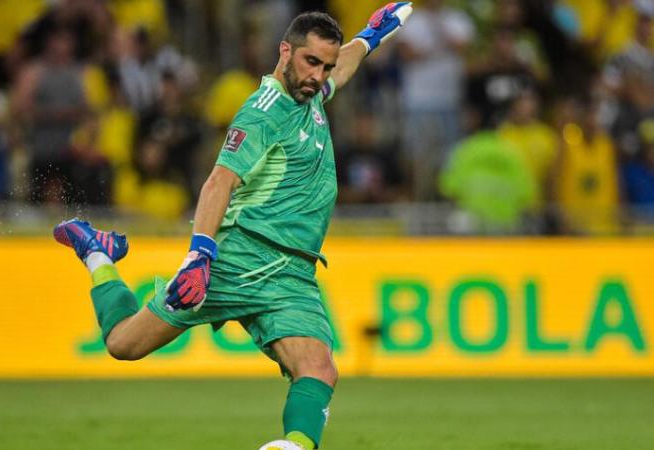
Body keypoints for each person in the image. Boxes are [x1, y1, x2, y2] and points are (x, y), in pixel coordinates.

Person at [53, 4, 413, 450]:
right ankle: (97, 254)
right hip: (239, 260)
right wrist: (199, 255)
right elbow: (219, 181)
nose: (319, 75)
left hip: (292, 274)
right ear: (285, 52)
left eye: (326, 66)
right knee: (124, 344)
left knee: (320, 369)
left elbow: (348, 62)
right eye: (311, 62)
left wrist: (373, 34)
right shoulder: (262, 113)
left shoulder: (313, 93)